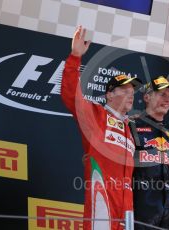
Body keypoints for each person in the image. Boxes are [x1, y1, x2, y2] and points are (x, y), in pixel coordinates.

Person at [61, 25, 141, 230]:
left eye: (133, 90)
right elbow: (71, 94)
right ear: (109, 94)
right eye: (124, 89)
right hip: (102, 197)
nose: (131, 94)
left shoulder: (130, 129)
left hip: (127, 207)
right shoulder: (96, 114)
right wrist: (75, 56)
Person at [131, 76, 169, 229]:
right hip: (142, 201)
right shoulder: (132, 125)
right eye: (162, 94)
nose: (167, 99)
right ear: (147, 97)